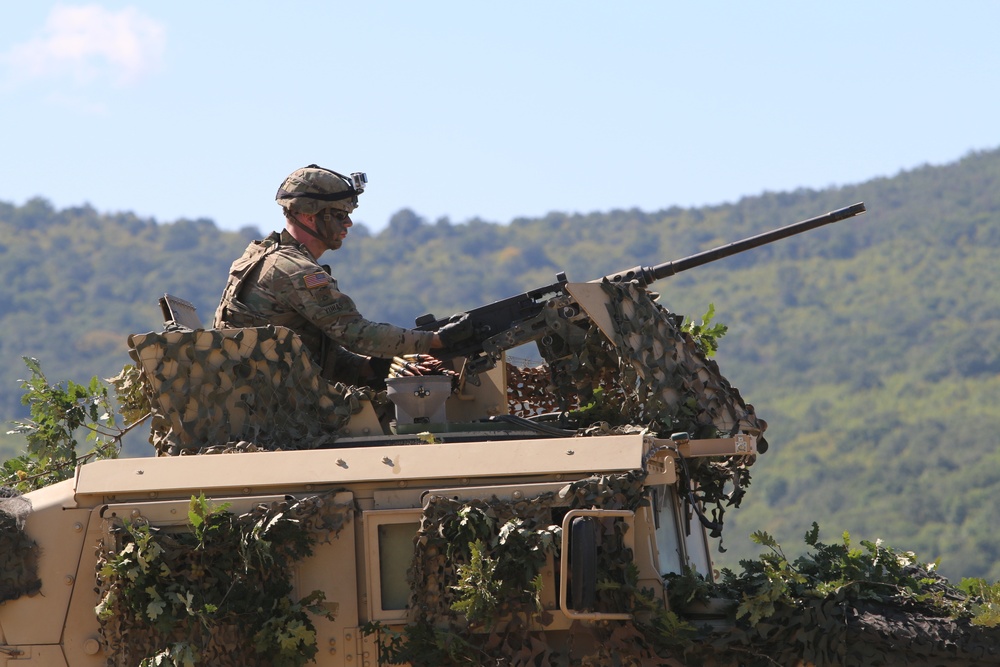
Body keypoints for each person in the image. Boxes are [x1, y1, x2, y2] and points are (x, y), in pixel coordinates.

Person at [214, 164, 470, 388]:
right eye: (339, 215)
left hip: (262, 392)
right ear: (307, 215)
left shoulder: (270, 256)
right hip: (273, 406)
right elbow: (354, 332)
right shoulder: (292, 270)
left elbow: (319, 350)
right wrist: (436, 340)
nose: (348, 223)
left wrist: (369, 369)